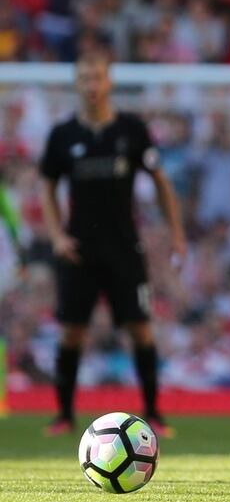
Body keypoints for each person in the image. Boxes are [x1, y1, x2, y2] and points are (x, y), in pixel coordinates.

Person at [39, 50, 186, 437]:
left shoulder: (132, 131)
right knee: (72, 331)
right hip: (80, 249)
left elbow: (160, 181)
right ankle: (64, 415)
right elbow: (47, 187)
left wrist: (176, 233)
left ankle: (153, 412)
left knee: (140, 328)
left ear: (110, 82)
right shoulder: (63, 135)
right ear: (77, 83)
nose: (92, 85)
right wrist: (56, 235)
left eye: (97, 77)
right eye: (85, 78)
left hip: (124, 248)